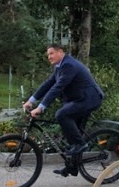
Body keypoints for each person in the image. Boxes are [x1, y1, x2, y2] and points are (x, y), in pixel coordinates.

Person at [22, 43, 104, 176]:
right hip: (79, 99)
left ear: (61, 52)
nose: (49, 57)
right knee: (71, 130)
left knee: (62, 115)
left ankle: (80, 144)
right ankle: (72, 166)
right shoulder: (59, 67)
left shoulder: (69, 65)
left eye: (51, 53)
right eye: (48, 54)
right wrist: (30, 101)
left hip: (89, 99)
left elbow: (57, 87)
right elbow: (48, 84)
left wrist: (40, 107)